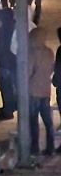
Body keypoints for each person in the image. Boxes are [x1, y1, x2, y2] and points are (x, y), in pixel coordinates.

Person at [29, 27, 57, 156]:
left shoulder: (32, 54)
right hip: (45, 90)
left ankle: (34, 147)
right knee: (48, 121)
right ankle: (50, 147)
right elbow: (51, 69)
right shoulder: (49, 52)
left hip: (33, 91)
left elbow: (27, 72)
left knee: (33, 121)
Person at [0, 11, 17, 120]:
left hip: (5, 62)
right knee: (9, 86)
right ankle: (9, 106)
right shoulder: (14, 27)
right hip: (11, 62)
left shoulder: (4, 29)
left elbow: (3, 46)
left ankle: (8, 110)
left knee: (5, 86)